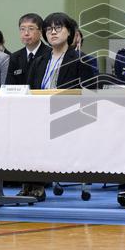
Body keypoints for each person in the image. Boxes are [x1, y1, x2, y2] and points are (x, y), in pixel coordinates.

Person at [21, 12, 98, 199]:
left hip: (69, 115)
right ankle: (28, 183)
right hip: (39, 115)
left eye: (58, 28)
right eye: (48, 29)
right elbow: (30, 90)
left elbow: (91, 95)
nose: (52, 32)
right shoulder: (40, 60)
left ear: (70, 32)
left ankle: (38, 184)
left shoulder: (82, 59)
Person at [4, 13, 45, 86]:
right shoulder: (15, 57)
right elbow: (9, 85)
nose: (26, 33)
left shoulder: (49, 54)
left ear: (41, 32)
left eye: (31, 29)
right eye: (22, 29)